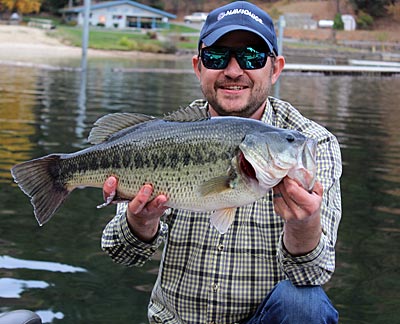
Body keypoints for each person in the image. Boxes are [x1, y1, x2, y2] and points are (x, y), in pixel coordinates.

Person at [101, 1, 342, 323]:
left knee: (306, 304)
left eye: (252, 57)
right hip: (177, 319)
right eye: (216, 56)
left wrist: (303, 224)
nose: (232, 70)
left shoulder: (311, 144)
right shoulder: (166, 136)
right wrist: (142, 223)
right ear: (198, 66)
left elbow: (312, 276)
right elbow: (122, 253)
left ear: (276, 68)